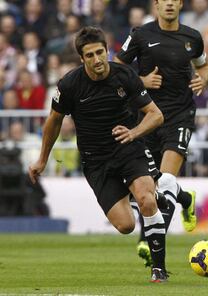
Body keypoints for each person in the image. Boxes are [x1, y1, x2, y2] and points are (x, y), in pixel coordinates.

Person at [28, 26, 169, 283]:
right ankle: (155, 194)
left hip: (128, 149)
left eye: (100, 52)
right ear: (82, 59)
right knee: (125, 225)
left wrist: (134, 133)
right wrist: (42, 159)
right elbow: (54, 121)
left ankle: (158, 269)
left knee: (146, 200)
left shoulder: (124, 74)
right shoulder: (69, 85)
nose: (97, 60)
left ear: (107, 50)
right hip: (96, 160)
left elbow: (156, 115)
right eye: (90, 55)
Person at [114, 0, 208, 266]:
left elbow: (203, 65)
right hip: (146, 118)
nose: (168, 3)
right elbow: (116, 68)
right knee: (151, 187)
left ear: (180, 4)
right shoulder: (140, 34)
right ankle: (185, 198)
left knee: (165, 181)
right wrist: (140, 81)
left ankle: (148, 242)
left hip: (180, 116)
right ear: (155, 4)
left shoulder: (193, 37)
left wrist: (203, 78)